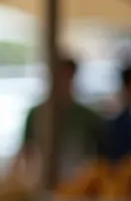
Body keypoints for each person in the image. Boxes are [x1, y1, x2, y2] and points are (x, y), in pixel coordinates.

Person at [15, 56, 104, 184]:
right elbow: (25, 153)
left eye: (67, 76)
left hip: (79, 184)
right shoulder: (37, 114)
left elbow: (100, 157)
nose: (63, 81)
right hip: (42, 181)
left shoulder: (88, 117)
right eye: (59, 76)